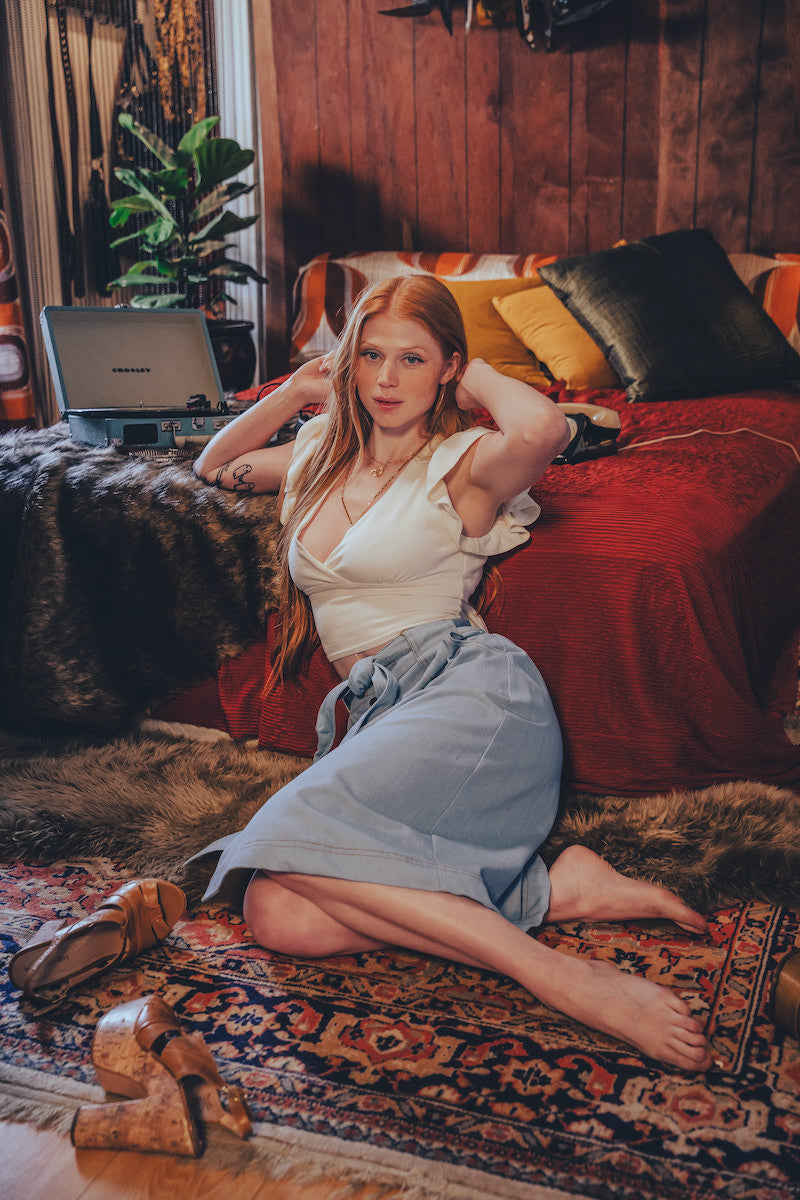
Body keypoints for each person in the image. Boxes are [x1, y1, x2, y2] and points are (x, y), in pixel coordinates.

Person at [192, 275, 712, 1073]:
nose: (387, 379)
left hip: (470, 694)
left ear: (446, 369)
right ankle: (551, 893)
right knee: (276, 912)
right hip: (377, 713)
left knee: (280, 848)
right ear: (349, 364)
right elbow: (213, 463)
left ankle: (559, 976)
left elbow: (541, 428)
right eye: (371, 356)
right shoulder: (314, 455)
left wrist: (467, 373)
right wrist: (297, 388)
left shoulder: (461, 463)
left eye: (412, 359)